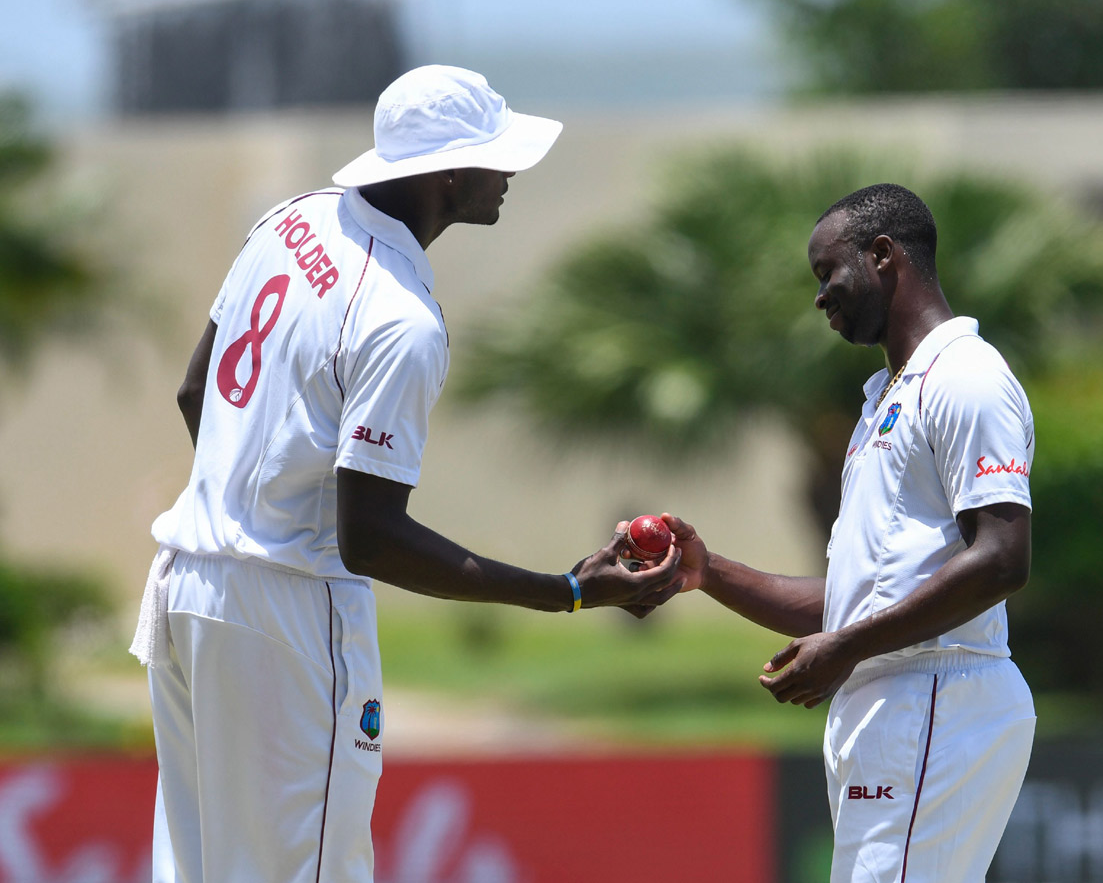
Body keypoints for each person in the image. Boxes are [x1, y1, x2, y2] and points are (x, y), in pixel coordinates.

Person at [129, 65, 680, 883]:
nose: (512, 174)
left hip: (184, 588)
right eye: (499, 157)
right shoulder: (400, 320)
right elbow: (371, 542)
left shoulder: (293, 219)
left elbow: (193, 391)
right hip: (286, 617)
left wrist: (243, 504)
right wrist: (563, 590)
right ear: (449, 174)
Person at [662, 184, 1036, 881]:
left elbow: (1003, 559)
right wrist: (707, 572)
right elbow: (858, 601)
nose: (820, 296)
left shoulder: (964, 377)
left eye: (827, 272)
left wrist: (847, 648)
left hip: (933, 696)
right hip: (899, 704)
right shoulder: (885, 400)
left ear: (883, 255)